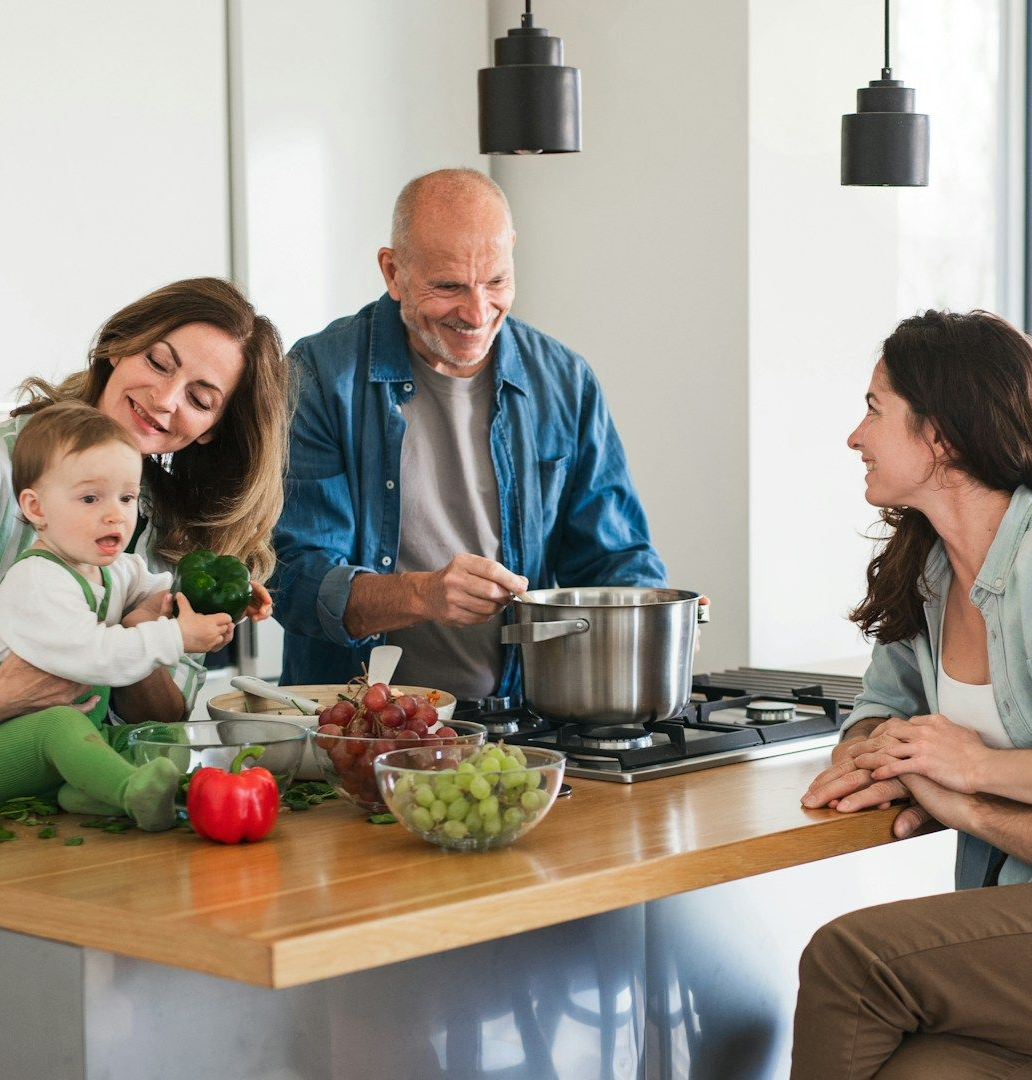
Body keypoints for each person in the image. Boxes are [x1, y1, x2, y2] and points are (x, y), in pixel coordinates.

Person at [792, 310, 1032, 1079]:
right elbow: (879, 711)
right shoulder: (928, 574)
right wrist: (880, 753)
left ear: (942, 437)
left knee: (851, 960)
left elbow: (953, 766)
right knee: (923, 1070)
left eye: (875, 408)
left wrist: (970, 779)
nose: (855, 436)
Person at [271, 168, 666, 699]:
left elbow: (613, 559)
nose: (478, 312)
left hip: (523, 724)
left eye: (496, 281)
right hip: (353, 730)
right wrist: (421, 595)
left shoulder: (566, 381)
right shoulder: (317, 375)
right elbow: (294, 579)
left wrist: (657, 612)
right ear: (393, 272)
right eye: (449, 286)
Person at [0, 277, 290, 724]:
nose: (165, 399)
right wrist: (8, 694)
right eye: (158, 363)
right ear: (118, 345)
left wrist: (144, 623)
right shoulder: (5, 467)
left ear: (210, 430)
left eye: (199, 398)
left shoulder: (174, 530)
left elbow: (162, 723)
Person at [0, 403, 251, 829]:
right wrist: (175, 637)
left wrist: (229, 601)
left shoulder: (113, 568)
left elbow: (162, 594)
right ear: (35, 507)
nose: (116, 513)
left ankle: (90, 793)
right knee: (58, 726)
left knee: (160, 735)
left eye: (127, 497)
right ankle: (130, 793)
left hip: (78, 741)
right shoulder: (36, 580)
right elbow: (97, 654)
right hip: (18, 744)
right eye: (90, 498)